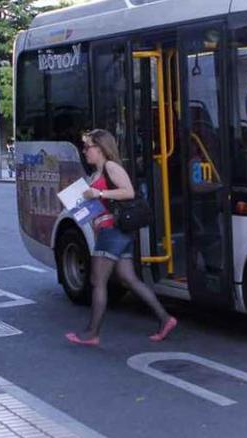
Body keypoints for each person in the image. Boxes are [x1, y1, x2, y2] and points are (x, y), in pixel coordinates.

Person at [65, 129, 178, 346]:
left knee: (97, 281)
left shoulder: (111, 167)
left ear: (100, 148)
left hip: (113, 231)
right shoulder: (95, 173)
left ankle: (92, 333)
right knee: (128, 278)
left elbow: (128, 191)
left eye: (88, 147)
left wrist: (99, 194)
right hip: (110, 231)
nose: (85, 151)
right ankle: (165, 319)